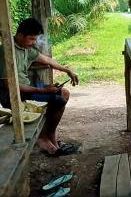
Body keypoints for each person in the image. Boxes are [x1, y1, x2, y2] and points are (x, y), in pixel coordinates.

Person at [0, 18, 79, 155]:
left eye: (35, 39)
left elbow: (47, 60)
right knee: (57, 100)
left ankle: (50, 135)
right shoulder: (6, 51)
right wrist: (42, 90)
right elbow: (11, 86)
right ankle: (43, 137)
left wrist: (67, 70)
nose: (34, 42)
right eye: (31, 39)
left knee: (63, 93)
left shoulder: (25, 48)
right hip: (12, 95)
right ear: (20, 35)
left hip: (26, 88)